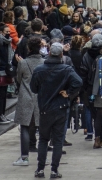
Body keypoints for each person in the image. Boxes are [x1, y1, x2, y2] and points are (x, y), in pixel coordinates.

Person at [31, 43, 82, 179]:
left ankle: (40, 169)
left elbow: (34, 88)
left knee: (43, 139)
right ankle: (54, 170)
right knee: (58, 140)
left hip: (45, 109)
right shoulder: (66, 69)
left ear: (49, 53)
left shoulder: (39, 70)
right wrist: (69, 92)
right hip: (60, 108)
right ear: (61, 55)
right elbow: (78, 82)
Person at [13, 37, 46, 166]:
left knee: (25, 127)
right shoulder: (44, 62)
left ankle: (24, 158)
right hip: (41, 97)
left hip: (26, 96)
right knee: (43, 128)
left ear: (29, 48)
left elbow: (19, 79)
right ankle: (43, 158)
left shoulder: (23, 63)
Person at [0, 24, 14, 124]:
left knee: (4, 94)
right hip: (0, 71)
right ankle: (0, 115)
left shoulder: (8, 43)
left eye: (9, 32)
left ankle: (3, 114)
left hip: (6, 70)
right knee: (1, 94)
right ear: (1, 32)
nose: (9, 34)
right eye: (7, 32)